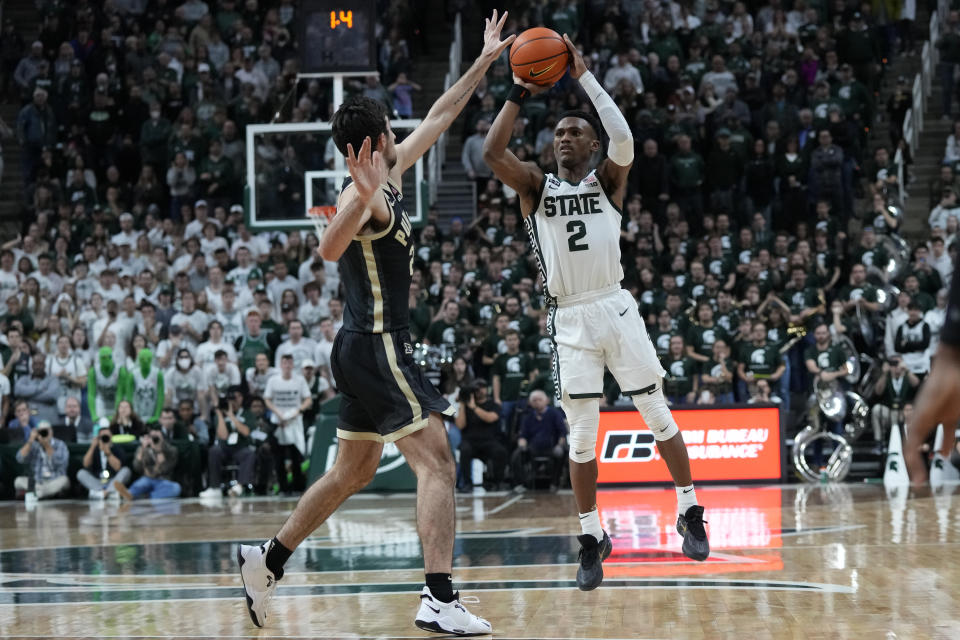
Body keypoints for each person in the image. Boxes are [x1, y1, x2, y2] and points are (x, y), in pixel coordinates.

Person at [236, 12, 513, 635]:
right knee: (438, 463)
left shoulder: (384, 175)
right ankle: (439, 596)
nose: (400, 132)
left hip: (357, 348)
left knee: (352, 472)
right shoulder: (366, 197)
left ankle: (267, 559)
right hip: (379, 348)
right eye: (391, 128)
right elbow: (328, 249)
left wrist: (484, 60)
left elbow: (441, 114)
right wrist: (357, 199)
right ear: (375, 140)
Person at [482, 34, 710, 591]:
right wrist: (518, 89)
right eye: (558, 132)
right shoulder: (535, 187)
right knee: (583, 438)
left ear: (590, 146)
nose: (564, 138)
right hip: (571, 319)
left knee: (659, 418)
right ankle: (590, 538)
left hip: (616, 305)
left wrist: (582, 75)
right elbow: (492, 152)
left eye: (575, 132)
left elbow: (626, 138)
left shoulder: (607, 182)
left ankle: (690, 510)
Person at [262, 353, 312, 494]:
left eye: (290, 363)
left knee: (296, 456)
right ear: (281, 364)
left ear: (293, 364)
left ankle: (298, 487)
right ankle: (283, 488)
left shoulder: (300, 380)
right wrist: (278, 414)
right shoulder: (273, 380)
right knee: (279, 458)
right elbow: (267, 399)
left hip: (294, 422)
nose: (287, 365)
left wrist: (297, 411)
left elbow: (308, 399)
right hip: (278, 422)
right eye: (285, 363)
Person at [200, 393, 256, 497]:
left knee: (249, 453)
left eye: (235, 399)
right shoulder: (220, 415)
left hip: (240, 447)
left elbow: (246, 432)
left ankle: (239, 486)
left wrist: (231, 415)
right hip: (224, 448)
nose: (232, 403)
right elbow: (223, 436)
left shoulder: (247, 413)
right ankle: (215, 488)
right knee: (214, 451)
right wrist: (220, 415)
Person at [455, 379, 507, 491]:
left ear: (486, 389)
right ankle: (467, 483)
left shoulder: (493, 404)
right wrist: (463, 404)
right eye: (476, 389)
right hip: (470, 441)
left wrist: (474, 407)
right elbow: (460, 425)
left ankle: (498, 482)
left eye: (482, 387)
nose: (479, 391)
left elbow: (491, 418)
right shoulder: (466, 406)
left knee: (500, 451)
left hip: (489, 440)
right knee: (464, 450)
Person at [510, 390, 567, 489]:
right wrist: (522, 444)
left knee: (563, 454)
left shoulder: (554, 414)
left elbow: (562, 433)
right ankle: (522, 484)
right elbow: (523, 435)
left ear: (546, 401)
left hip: (551, 447)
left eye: (540, 399)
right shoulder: (528, 416)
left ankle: (555, 482)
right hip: (533, 448)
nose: (537, 402)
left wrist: (560, 445)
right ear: (530, 403)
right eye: (534, 400)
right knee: (516, 455)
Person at [15, 420, 70, 500]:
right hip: (38, 482)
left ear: (51, 431)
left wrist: (47, 445)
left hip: (54, 480)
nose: (44, 433)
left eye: (46, 431)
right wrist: (30, 440)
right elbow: (20, 458)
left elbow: (60, 464)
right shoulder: (34, 445)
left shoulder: (60, 444)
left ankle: (37, 494)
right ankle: (44, 493)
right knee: (18, 481)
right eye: (41, 431)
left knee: (65, 480)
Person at [76, 424, 132, 499]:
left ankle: (102, 493)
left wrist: (108, 453)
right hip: (98, 481)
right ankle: (109, 493)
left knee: (126, 471)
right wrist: (92, 446)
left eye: (107, 437)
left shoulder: (117, 448)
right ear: (98, 438)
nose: (105, 439)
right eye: (102, 437)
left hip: (112, 481)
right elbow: (86, 464)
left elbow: (118, 468)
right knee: (81, 473)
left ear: (111, 437)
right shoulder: (95, 449)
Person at [128, 425, 181, 499]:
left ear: (162, 437)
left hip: (163, 480)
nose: (154, 439)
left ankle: (147, 497)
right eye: (152, 437)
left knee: (176, 488)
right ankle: (132, 494)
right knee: (137, 486)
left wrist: (159, 452)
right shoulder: (143, 449)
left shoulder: (171, 450)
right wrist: (142, 450)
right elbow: (137, 468)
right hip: (147, 479)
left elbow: (166, 469)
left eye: (157, 437)